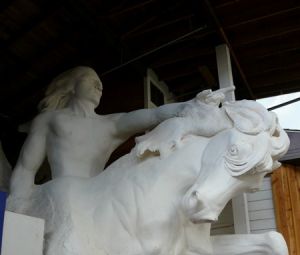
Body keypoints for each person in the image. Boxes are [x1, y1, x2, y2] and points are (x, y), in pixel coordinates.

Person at [9, 66, 198, 200]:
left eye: (100, 84)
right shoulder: (49, 120)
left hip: (95, 200)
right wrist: (17, 206)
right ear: (72, 86)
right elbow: (25, 170)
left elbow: (153, 114)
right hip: (61, 196)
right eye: (91, 81)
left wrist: (190, 106)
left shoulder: (109, 125)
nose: (99, 87)